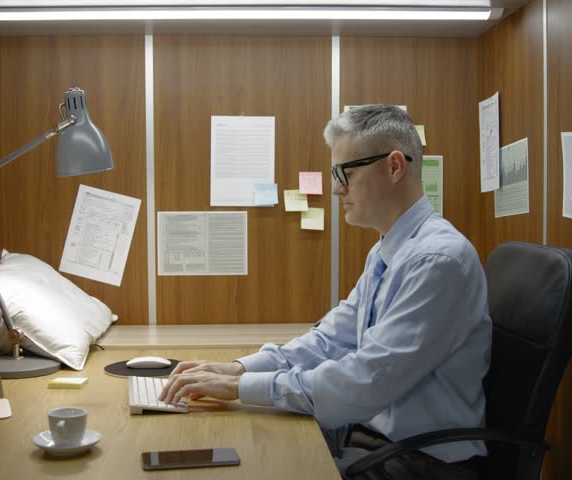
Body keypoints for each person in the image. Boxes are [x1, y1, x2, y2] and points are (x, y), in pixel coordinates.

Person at [160, 105, 492, 479]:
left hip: (420, 464)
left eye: (344, 173)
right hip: (375, 443)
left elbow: (367, 380)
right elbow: (330, 341)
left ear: (395, 166)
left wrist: (241, 386)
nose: (337, 188)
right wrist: (238, 368)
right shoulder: (390, 251)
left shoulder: (438, 260)